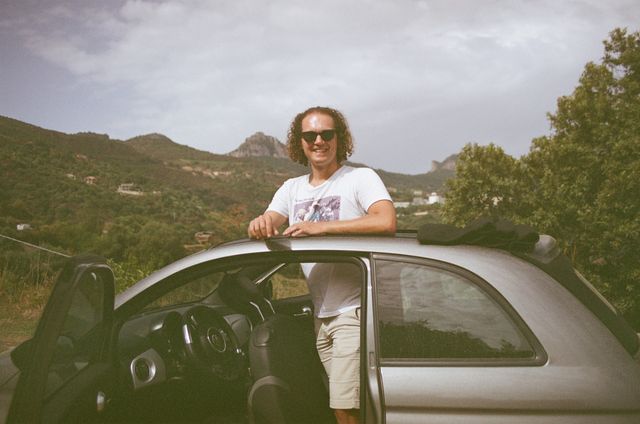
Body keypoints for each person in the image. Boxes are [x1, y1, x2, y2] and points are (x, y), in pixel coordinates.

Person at [248, 106, 396, 424]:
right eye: (310, 135)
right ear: (299, 142)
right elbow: (271, 219)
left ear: (339, 139)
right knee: (352, 407)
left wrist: (321, 228)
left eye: (327, 133)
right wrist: (260, 223)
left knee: (345, 410)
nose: (319, 141)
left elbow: (386, 221)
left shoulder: (359, 178)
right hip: (322, 317)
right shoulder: (292, 189)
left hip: (353, 312)